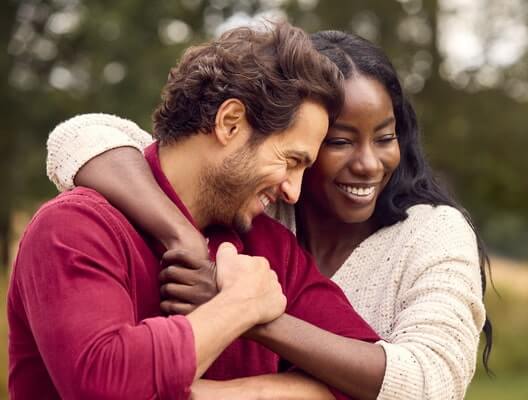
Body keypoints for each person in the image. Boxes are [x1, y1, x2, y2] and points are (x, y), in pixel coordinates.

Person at [46, 30, 492, 399]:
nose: (369, 163)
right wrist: (183, 235)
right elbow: (85, 135)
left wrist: (254, 316)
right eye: (336, 143)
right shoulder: (254, 216)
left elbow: (414, 385)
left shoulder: (271, 242)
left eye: (385, 137)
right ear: (232, 124)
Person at [10, 23, 381, 400]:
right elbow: (106, 386)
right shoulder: (75, 228)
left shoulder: (271, 249)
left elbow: (366, 383)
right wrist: (241, 305)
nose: (293, 190)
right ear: (230, 122)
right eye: (290, 160)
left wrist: (238, 391)